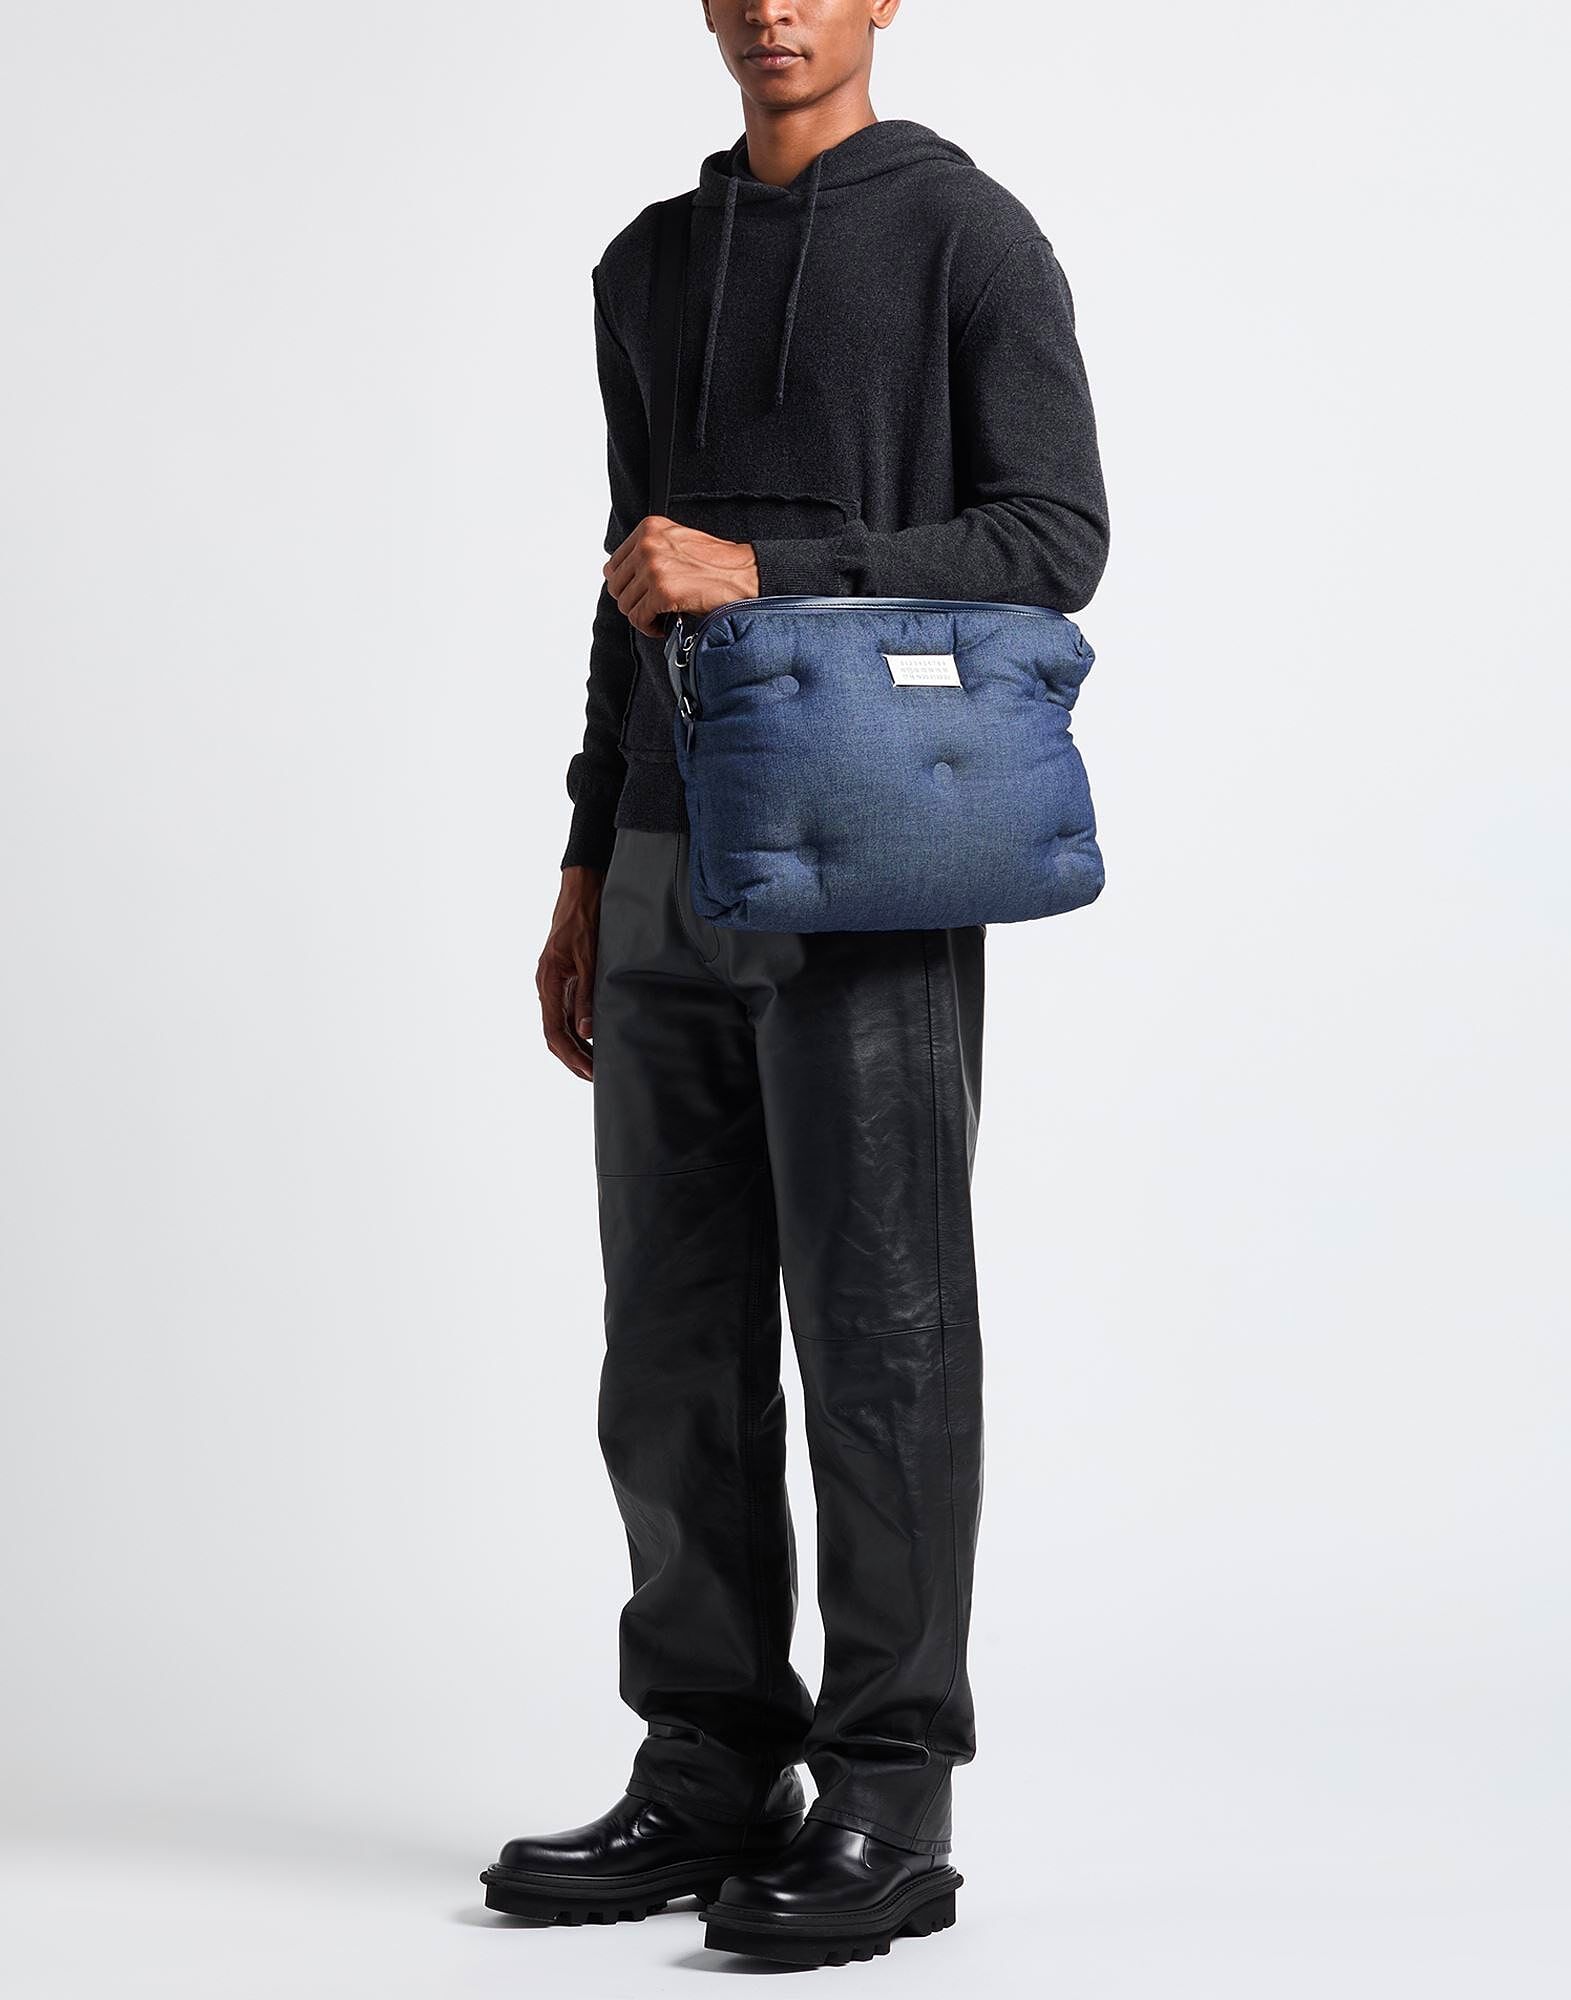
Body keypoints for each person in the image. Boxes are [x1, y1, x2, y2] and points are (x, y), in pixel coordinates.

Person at [480, 0, 1108, 1967]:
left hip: (868, 860)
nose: (773, 10)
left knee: (882, 1328)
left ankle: (893, 1801)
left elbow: (1055, 537)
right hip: (669, 850)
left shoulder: (967, 235)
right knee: (668, 1343)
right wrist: (588, 853)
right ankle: (709, 1765)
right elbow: (627, 577)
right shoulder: (647, 267)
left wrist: (771, 575)